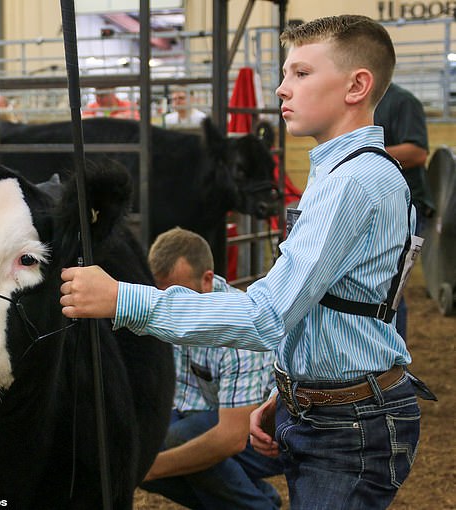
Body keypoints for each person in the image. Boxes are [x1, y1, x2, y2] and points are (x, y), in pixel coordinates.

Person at [60, 15, 430, 509]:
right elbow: (339, 306)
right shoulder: (349, 171)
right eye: (284, 75)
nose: (281, 89)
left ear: (356, 85)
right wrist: (291, 385)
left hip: (349, 426)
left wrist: (123, 298)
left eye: (300, 73)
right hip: (330, 406)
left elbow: (265, 317)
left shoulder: (352, 183)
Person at [140, 227, 283, 509]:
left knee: (163, 451)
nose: (168, 306)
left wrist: (147, 468)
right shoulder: (177, 308)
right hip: (210, 415)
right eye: (161, 296)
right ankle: (256, 499)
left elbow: (229, 438)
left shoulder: (239, 326)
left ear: (207, 280)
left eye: (176, 296)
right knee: (139, 446)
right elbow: (181, 403)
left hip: (266, 435)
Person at [374, 82, 434, 341]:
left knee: (392, 287)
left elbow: (417, 153)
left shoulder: (402, 101)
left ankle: (394, 359)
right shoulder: (361, 102)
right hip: (377, 204)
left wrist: (365, 153)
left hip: (405, 205)